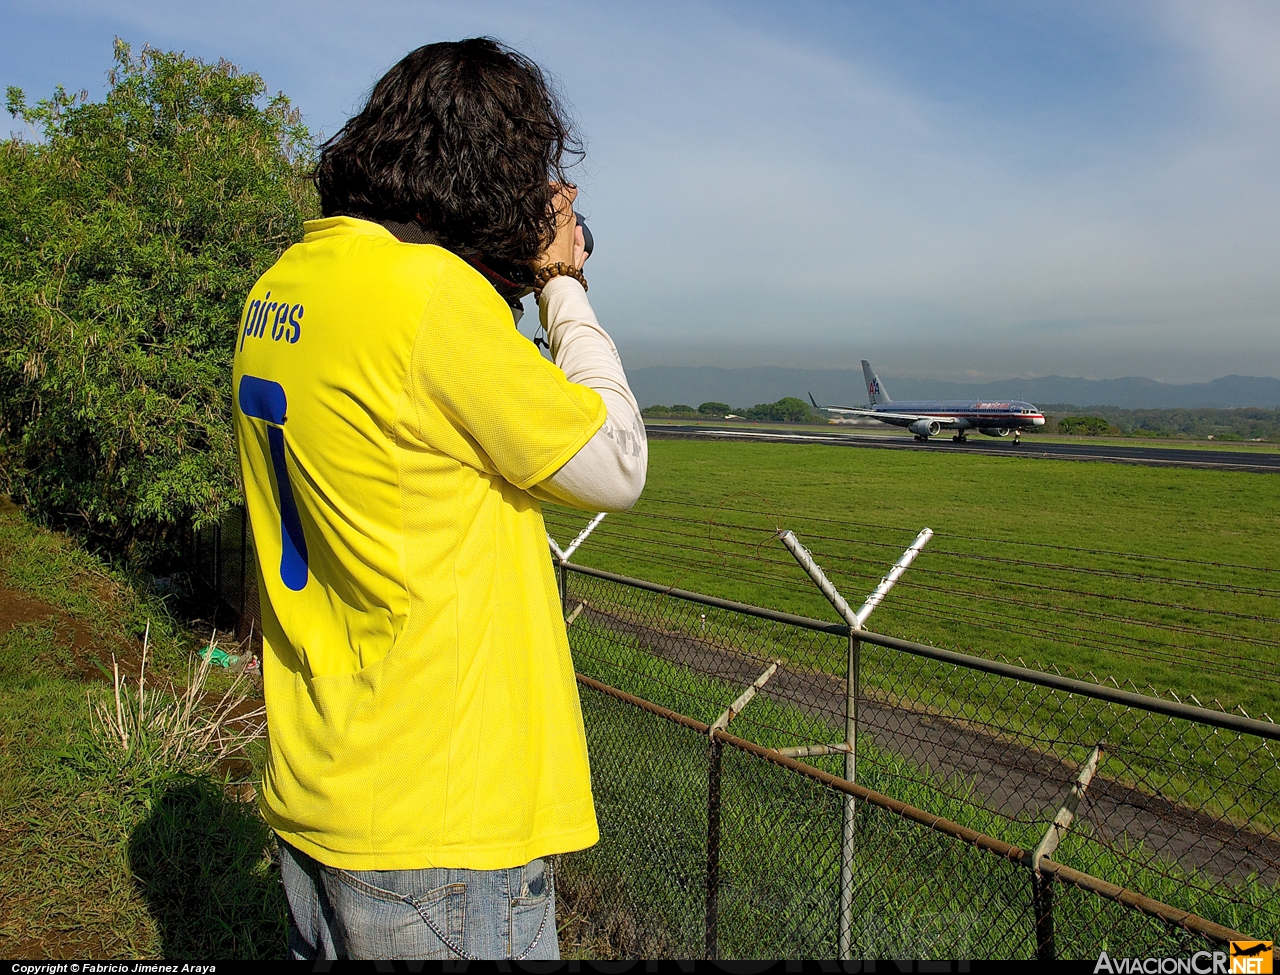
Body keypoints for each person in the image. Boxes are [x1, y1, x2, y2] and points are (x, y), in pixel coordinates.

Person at [232, 37, 646, 961]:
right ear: (489, 172)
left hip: (320, 790)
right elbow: (615, 461)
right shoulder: (427, 300)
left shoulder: (283, 289)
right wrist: (561, 283)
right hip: (443, 825)